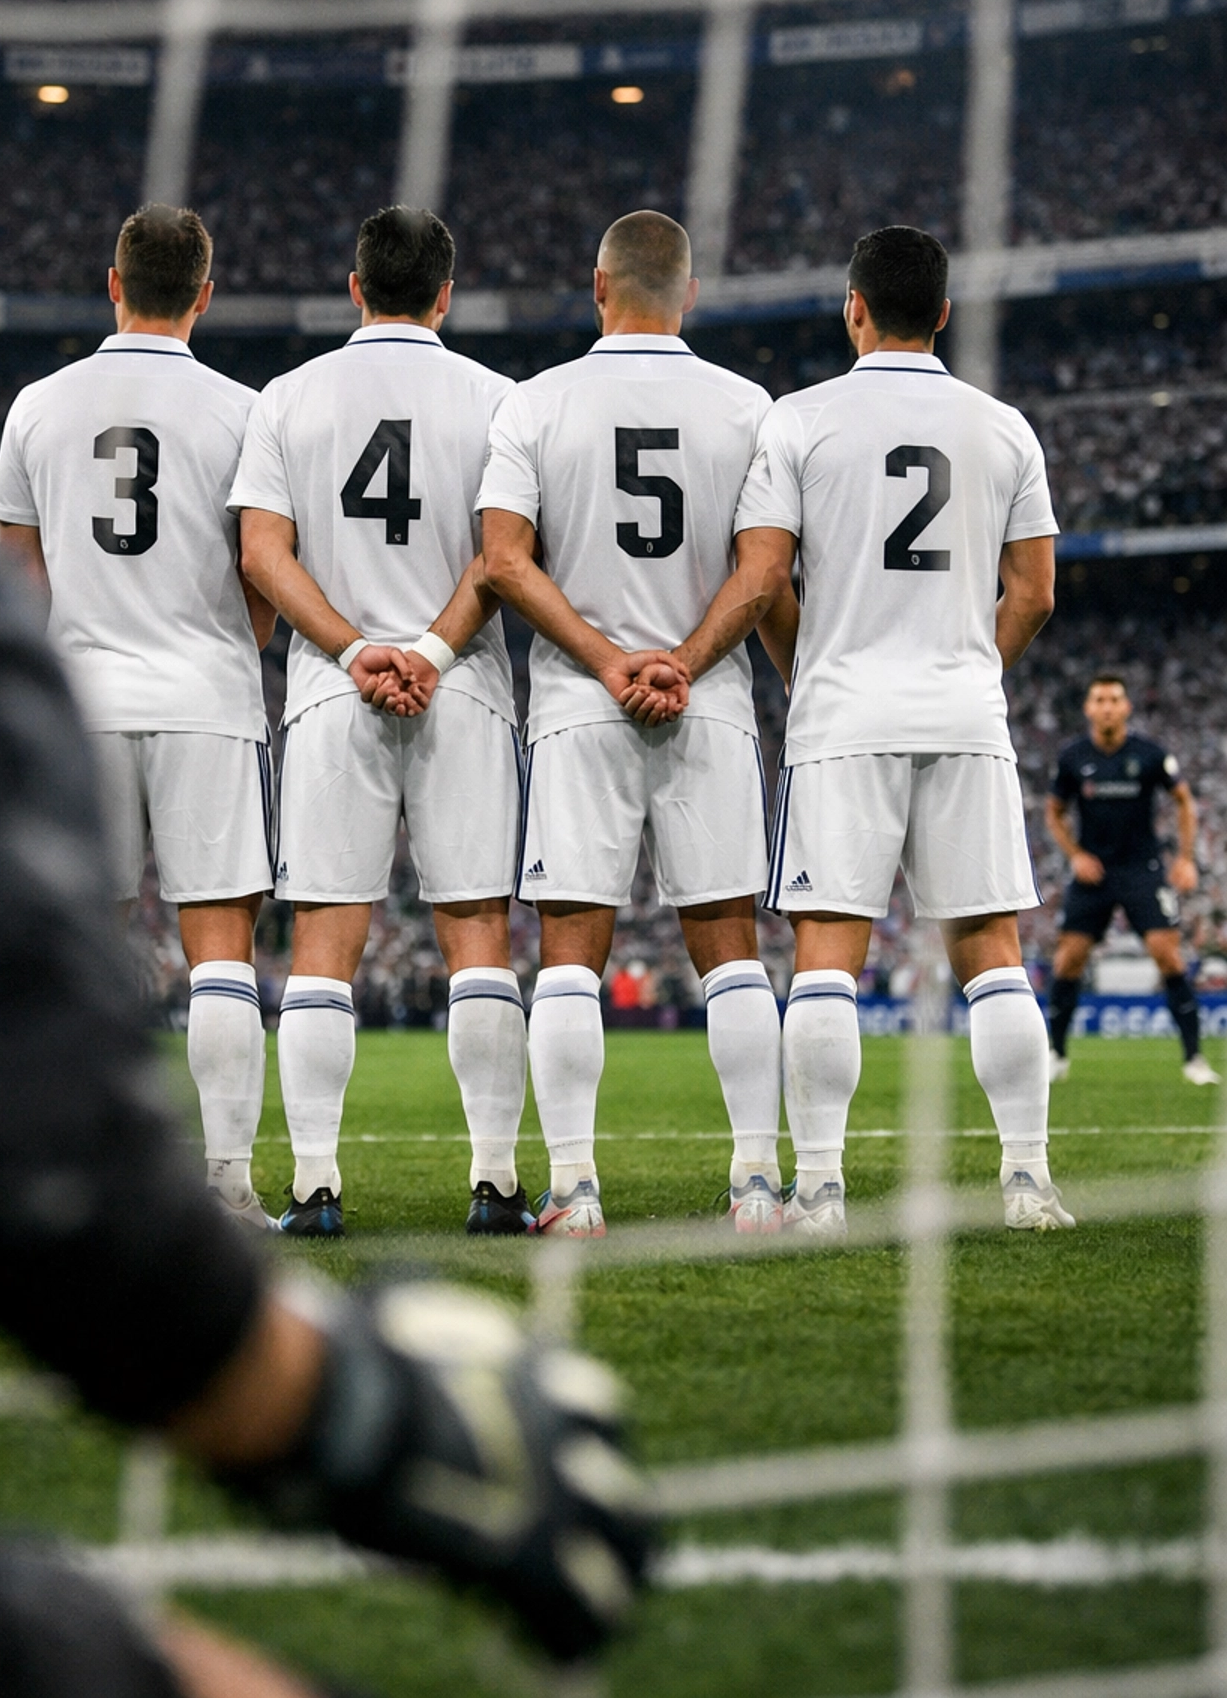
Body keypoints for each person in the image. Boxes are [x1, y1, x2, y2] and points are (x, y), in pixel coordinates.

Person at [0, 0, 647, 1695]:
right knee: (299, 940)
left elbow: (43, 566)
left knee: (258, 958)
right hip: (239, 685)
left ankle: (246, 1170)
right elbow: (19, 1156)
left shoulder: (61, 410)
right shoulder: (241, 416)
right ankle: (492, 1173)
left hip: (118, 673)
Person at [707, 225, 1072, 1235]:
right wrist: (967, 666)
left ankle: (819, 1188)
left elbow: (766, 576)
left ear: (853, 307)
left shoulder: (800, 421)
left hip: (845, 713)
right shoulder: (1003, 427)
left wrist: (806, 669)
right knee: (991, 949)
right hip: (963, 713)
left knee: (829, 953)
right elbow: (1034, 592)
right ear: (944, 314)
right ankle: (1029, 1183)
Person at [478, 211, 786, 1238]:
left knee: (569, 950)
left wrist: (608, 661)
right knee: (730, 946)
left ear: (596, 287)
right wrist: (685, 662)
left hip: (577, 699)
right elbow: (765, 569)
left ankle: (572, 1191)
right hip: (711, 700)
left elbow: (505, 560)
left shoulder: (533, 403)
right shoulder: (750, 409)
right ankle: (754, 1185)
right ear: (687, 294)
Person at [231, 208, 528, 1237]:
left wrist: (360, 651)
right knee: (478, 931)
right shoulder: (502, 402)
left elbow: (263, 555)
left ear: (354, 287)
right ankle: (495, 1185)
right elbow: (504, 558)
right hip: (466, 690)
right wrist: (431, 651)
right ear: (446, 293)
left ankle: (315, 1190)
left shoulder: (287, 399)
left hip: (330, 692)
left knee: (323, 938)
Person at [0, 204, 279, 1229]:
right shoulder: (248, 411)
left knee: (82, 942)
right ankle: (231, 1186)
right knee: (220, 950)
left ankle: (79, 1174)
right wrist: (224, 646)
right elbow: (263, 568)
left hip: (82, 702)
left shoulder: (38, 405)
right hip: (206, 698)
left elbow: (17, 578)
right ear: (205, 293)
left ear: (112, 283)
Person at [1045, 673, 1215, 1085]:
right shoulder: (1073, 758)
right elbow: (1054, 812)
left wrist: (1186, 859)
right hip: (1094, 872)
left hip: (1143, 869)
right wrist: (1075, 855)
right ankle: (1057, 1055)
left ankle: (1194, 1059)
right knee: (1068, 959)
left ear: (1126, 708)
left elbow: (1183, 801)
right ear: (1088, 708)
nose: (1106, 706)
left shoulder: (1149, 754)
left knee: (1168, 955)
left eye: (1114, 699)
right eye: (1099, 699)